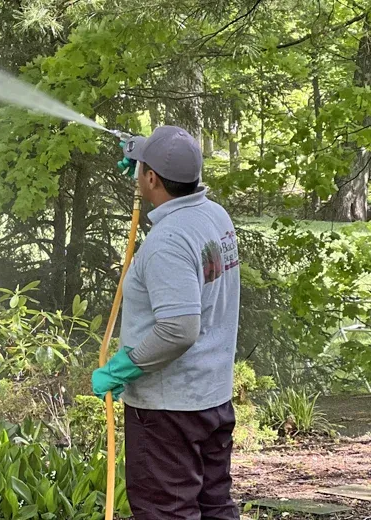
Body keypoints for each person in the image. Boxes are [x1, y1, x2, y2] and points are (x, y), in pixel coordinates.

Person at [92, 125, 241, 520]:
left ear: (154, 177)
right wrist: (146, 163)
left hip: (167, 410)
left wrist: (123, 367)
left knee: (166, 512)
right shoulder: (213, 215)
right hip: (211, 398)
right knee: (214, 505)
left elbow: (178, 329)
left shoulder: (168, 241)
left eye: (144, 171)